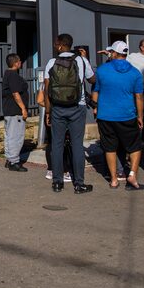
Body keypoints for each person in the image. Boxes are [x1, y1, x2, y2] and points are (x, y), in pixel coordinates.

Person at [44, 33, 94, 194]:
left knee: (57, 145)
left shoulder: (51, 62)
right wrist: (86, 61)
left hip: (58, 107)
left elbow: (47, 90)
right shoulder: (81, 60)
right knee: (77, 145)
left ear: (60, 45)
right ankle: (79, 184)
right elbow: (93, 79)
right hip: (77, 107)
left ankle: (57, 182)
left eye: (55, 43)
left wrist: (48, 111)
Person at [92, 41, 144, 190]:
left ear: (114, 53)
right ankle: (132, 174)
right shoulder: (135, 72)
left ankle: (114, 179)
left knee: (109, 147)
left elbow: (96, 90)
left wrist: (95, 107)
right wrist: (140, 116)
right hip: (127, 115)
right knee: (134, 147)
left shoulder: (102, 70)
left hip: (106, 115)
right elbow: (139, 97)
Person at [36, 85, 73, 182]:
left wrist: (49, 107)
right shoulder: (66, 81)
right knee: (64, 142)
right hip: (63, 114)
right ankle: (64, 171)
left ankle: (51, 170)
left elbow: (39, 100)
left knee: (51, 142)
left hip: (49, 114)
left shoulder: (44, 84)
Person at [2, 53, 28, 172]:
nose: (21, 63)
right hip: (15, 111)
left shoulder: (8, 74)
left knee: (9, 136)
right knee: (16, 136)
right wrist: (23, 108)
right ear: (15, 63)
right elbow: (16, 93)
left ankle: (9, 159)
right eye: (19, 61)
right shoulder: (13, 75)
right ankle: (14, 162)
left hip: (9, 110)